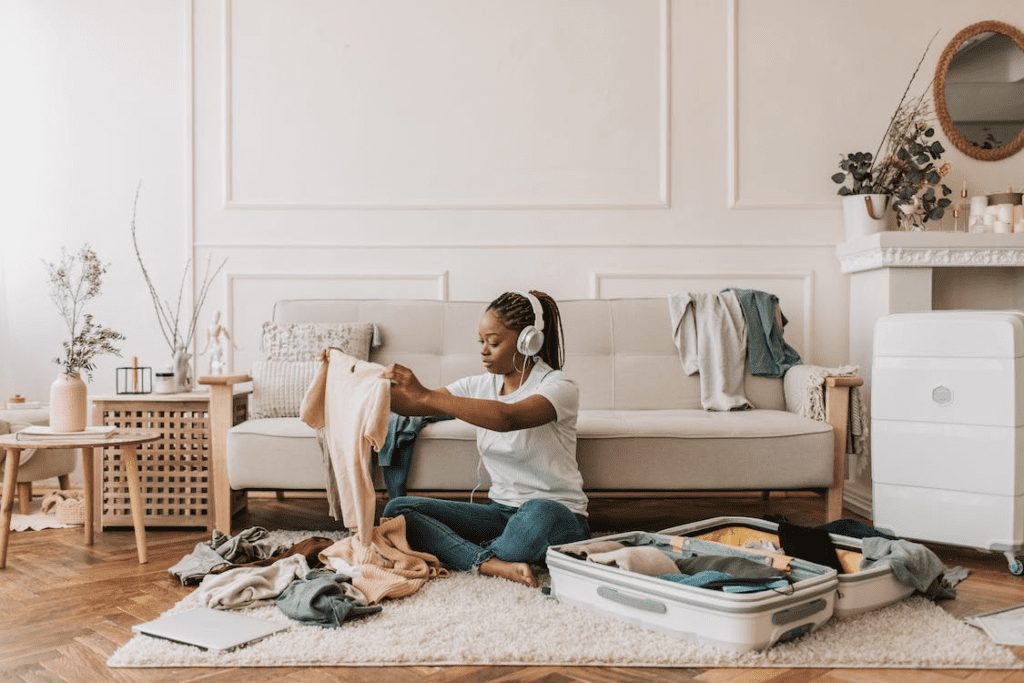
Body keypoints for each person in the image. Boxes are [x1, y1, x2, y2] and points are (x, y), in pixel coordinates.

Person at [381, 290, 590, 587]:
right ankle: (493, 563)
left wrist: (426, 394)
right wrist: (358, 379)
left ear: (526, 341)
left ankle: (472, 553)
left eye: (493, 342)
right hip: (500, 513)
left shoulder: (558, 386)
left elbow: (508, 418)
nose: (484, 350)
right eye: (481, 342)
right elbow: (412, 405)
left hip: (557, 515)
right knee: (398, 511)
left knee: (536, 512)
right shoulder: (478, 385)